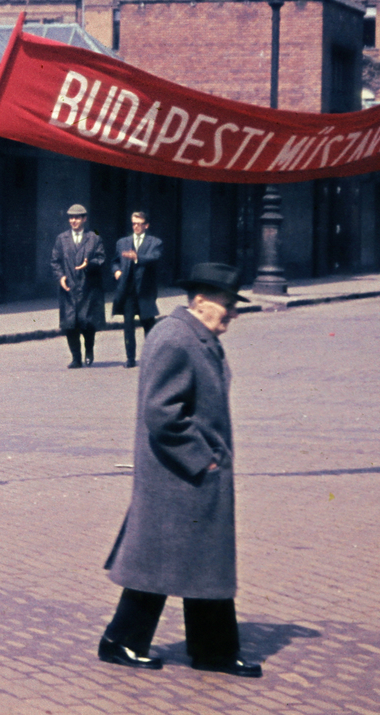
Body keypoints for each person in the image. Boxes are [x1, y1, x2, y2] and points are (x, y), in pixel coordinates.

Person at [99, 262, 262, 678]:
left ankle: (204, 650)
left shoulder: (195, 335)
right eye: (228, 304)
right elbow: (162, 412)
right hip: (179, 475)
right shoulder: (175, 337)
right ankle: (135, 643)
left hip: (186, 476)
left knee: (186, 561)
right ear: (201, 300)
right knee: (177, 561)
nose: (234, 313)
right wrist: (203, 458)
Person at [53, 204, 106, 368]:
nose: (73, 221)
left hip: (88, 288)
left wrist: (89, 264)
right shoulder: (62, 238)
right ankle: (76, 358)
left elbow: (101, 259)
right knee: (70, 324)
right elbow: (55, 261)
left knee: (88, 323)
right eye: (71, 218)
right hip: (69, 288)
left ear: (84, 219)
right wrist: (61, 276)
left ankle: (89, 349)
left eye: (77, 218)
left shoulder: (94, 237)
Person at [111, 211, 163, 369]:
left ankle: (151, 357)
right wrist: (116, 271)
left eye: (139, 224)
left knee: (149, 325)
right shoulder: (122, 242)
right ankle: (130, 358)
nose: (136, 227)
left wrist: (137, 257)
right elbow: (115, 261)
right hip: (128, 291)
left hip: (145, 291)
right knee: (128, 326)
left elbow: (155, 257)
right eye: (133, 223)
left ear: (146, 225)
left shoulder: (155, 242)